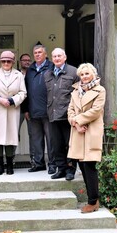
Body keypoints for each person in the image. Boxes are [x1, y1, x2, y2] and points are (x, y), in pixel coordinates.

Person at [67, 63, 106, 213]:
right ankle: (93, 200)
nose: (84, 77)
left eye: (87, 74)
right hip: (78, 131)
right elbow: (70, 109)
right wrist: (75, 123)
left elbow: (96, 111)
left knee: (89, 167)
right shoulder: (76, 90)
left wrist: (79, 120)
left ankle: (93, 201)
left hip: (91, 130)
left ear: (93, 74)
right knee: (82, 167)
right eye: (82, 74)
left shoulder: (100, 90)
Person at [0, 51, 27, 175]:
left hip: (11, 109)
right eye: (4, 61)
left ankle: (9, 165)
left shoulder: (18, 75)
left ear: (13, 62)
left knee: (10, 137)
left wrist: (12, 100)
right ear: (1, 62)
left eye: (9, 61)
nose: (6, 63)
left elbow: (23, 92)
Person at [44, 47, 80, 181]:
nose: (57, 58)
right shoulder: (47, 74)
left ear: (65, 57)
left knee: (70, 144)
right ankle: (61, 169)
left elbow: (79, 94)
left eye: (59, 56)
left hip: (68, 116)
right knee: (56, 144)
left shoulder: (74, 72)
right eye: (55, 56)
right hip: (52, 115)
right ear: (52, 59)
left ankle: (70, 170)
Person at [22, 44, 54, 173]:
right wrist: (26, 109)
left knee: (51, 140)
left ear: (45, 54)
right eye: (35, 53)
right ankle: (39, 163)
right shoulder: (30, 70)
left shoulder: (52, 67)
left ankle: (52, 164)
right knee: (36, 139)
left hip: (48, 111)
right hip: (33, 111)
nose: (37, 54)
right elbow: (25, 91)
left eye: (40, 52)